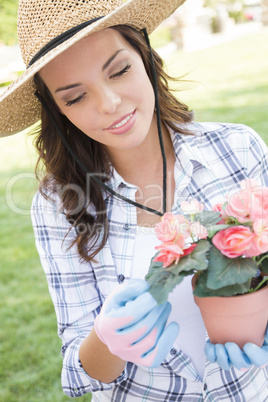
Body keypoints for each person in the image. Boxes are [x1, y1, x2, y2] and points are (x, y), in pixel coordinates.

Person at [0, 0, 267, 400]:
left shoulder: (237, 148)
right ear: (57, 112)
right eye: (75, 98)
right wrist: (108, 340)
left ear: (144, 55)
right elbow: (78, 374)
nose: (109, 103)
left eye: (119, 70)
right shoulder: (59, 204)